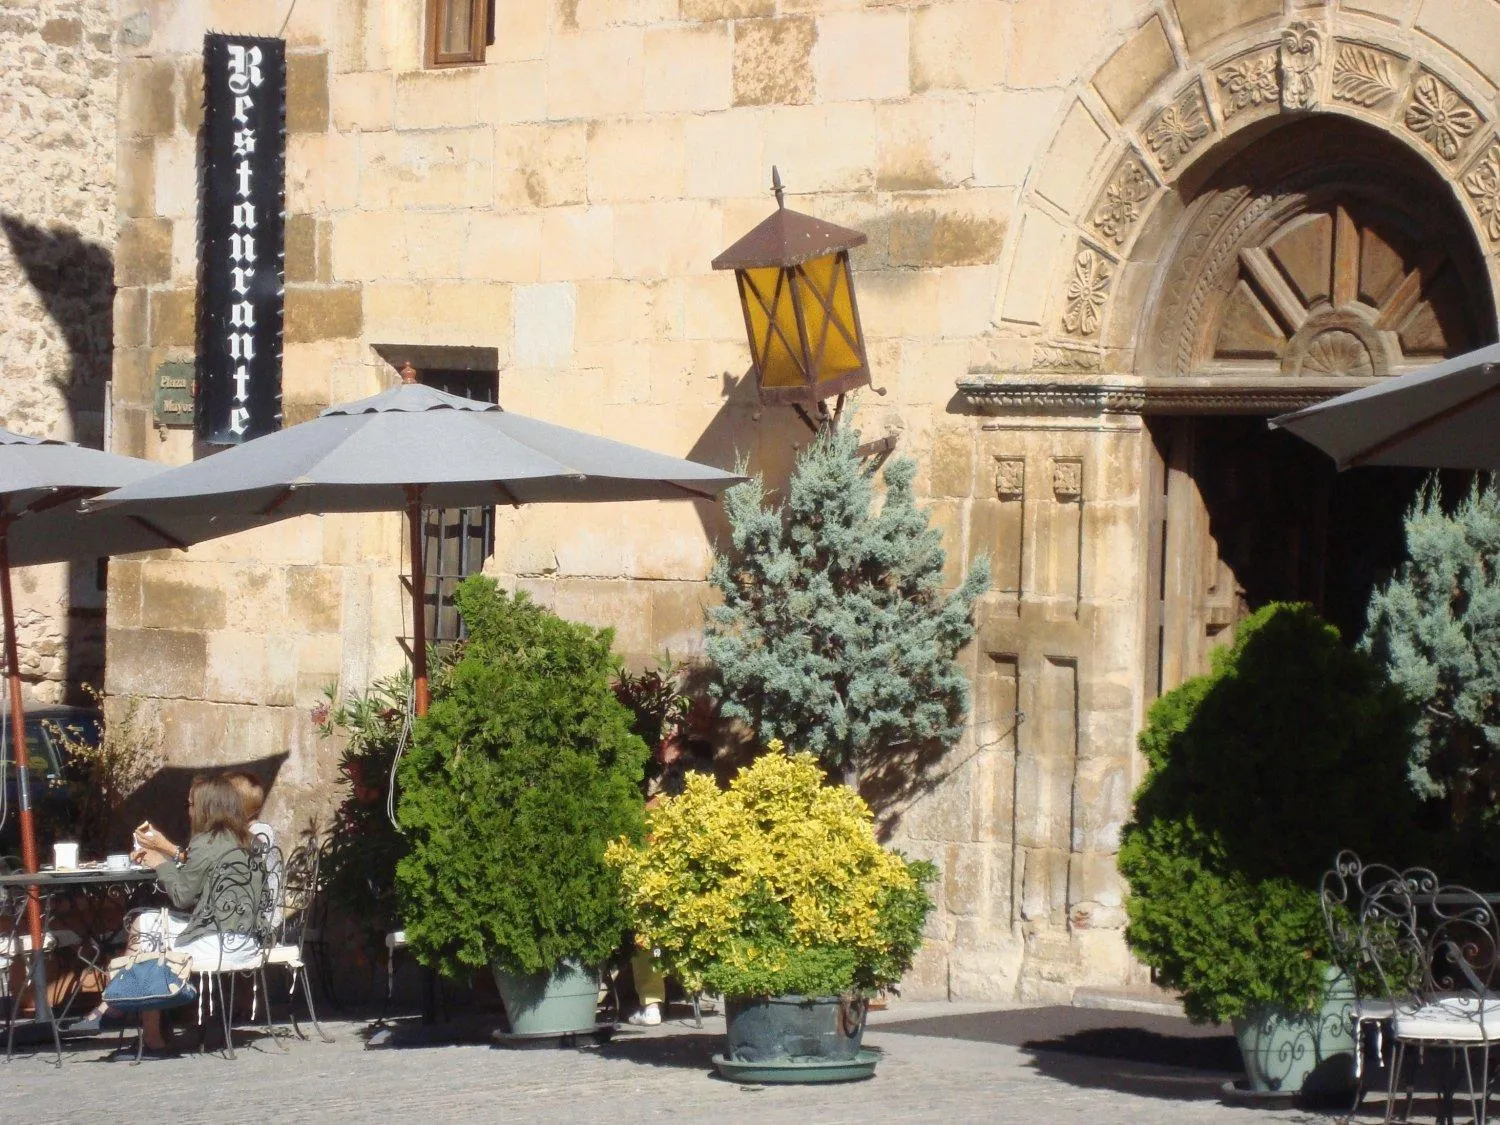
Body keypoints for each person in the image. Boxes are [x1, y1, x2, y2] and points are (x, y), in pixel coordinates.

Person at [77, 774, 263, 1054]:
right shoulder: (248, 841)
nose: (188, 810)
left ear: (205, 808)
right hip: (246, 940)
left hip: (216, 943)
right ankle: (126, 1013)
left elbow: (181, 896)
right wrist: (169, 855)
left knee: (146, 926)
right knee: (150, 925)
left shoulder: (205, 842)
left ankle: (132, 1018)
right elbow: (202, 879)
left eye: (190, 804)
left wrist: (158, 863)